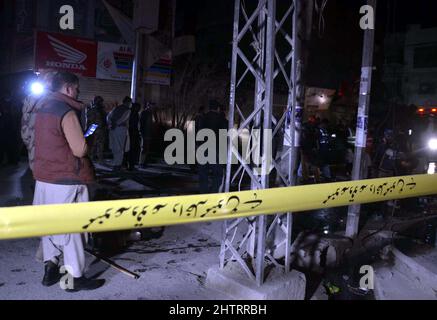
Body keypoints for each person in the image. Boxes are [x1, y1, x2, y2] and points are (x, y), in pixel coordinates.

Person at [33, 71, 105, 292]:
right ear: (67, 88)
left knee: (49, 225)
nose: (78, 92)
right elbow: (79, 149)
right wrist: (89, 139)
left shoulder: (42, 108)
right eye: (76, 88)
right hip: (67, 179)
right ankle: (74, 277)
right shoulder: (67, 112)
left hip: (43, 177)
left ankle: (50, 268)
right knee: (74, 228)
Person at [198, 100, 228, 193]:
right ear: (218, 108)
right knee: (217, 174)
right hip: (216, 149)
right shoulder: (222, 119)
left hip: (203, 149)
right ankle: (214, 193)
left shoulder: (202, 118)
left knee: (203, 173)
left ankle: (203, 193)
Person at [107, 97, 131, 171]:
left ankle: (115, 163)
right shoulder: (127, 110)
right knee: (120, 147)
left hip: (113, 129)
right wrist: (116, 124)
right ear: (128, 102)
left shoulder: (116, 108)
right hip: (120, 129)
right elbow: (123, 119)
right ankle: (117, 165)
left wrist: (111, 124)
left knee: (115, 146)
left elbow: (108, 117)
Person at [86, 96, 107, 164]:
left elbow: (90, 121)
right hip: (98, 129)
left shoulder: (97, 110)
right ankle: (97, 159)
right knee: (97, 145)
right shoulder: (100, 110)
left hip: (97, 129)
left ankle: (95, 159)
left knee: (95, 145)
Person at [139, 102, 154, 168]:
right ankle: (141, 162)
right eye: (151, 106)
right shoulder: (145, 113)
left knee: (146, 148)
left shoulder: (149, 113)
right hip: (145, 133)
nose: (152, 107)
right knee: (144, 148)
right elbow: (141, 123)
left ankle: (144, 162)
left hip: (148, 133)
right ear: (148, 106)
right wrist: (141, 132)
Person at [128, 103, 141, 171]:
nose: (139, 109)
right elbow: (133, 125)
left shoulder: (134, 113)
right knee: (132, 149)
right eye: (138, 107)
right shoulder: (132, 114)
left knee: (133, 149)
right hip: (132, 134)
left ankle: (131, 164)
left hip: (133, 133)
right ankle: (131, 165)